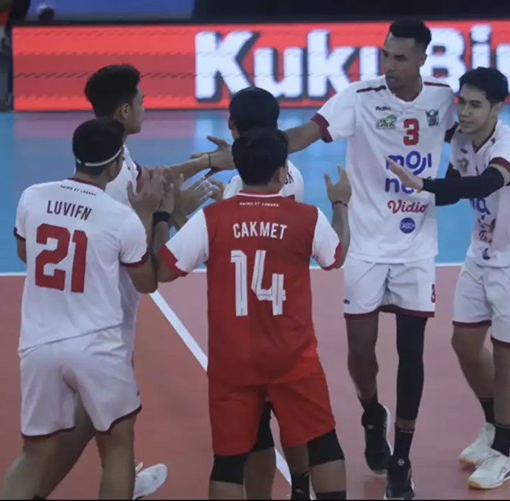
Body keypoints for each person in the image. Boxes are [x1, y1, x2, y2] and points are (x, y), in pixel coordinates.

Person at [205, 18, 457, 500]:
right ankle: (371, 413)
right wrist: (248, 152)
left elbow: (470, 136)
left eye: (400, 58)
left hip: (416, 246)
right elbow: (303, 134)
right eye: (385, 55)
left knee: (412, 351)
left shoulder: (444, 100)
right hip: (364, 244)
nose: (389, 66)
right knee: (361, 351)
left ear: (423, 59)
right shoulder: (360, 97)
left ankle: (401, 458)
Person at [34, 63, 221, 501]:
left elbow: (152, 179)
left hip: (70, 316)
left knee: (100, 420)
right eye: (140, 100)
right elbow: (149, 271)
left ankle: (115, 479)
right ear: (123, 110)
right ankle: (49, 490)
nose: (145, 106)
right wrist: (168, 216)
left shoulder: (109, 159)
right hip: (108, 320)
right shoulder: (119, 182)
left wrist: (205, 162)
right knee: (100, 425)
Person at [157, 128, 351, 500]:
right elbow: (336, 256)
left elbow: (163, 271)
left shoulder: (211, 218)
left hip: (232, 360)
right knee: (323, 442)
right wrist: (340, 203)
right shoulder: (307, 217)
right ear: (281, 172)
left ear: (239, 171)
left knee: (229, 461)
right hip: (292, 356)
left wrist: (164, 214)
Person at [385, 67, 510, 490]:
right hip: (481, 255)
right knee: (464, 344)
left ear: (497, 109)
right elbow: (454, 187)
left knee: (507, 358)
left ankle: (502, 455)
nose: (464, 111)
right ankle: (497, 425)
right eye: (461, 102)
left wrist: (423, 183)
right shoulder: (461, 140)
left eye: (476, 105)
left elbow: (485, 183)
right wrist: (410, 190)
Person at [0, 117, 175, 499]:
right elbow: (146, 283)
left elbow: (26, 253)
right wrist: (152, 215)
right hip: (98, 346)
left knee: (34, 453)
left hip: (39, 344)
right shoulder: (121, 218)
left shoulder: (33, 196)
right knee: (118, 445)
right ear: (115, 166)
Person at [219, 87, 308, 500]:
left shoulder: (237, 187)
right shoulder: (293, 175)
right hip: (288, 318)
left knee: (255, 431)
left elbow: (227, 249)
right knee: (293, 416)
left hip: (247, 324)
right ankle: (302, 488)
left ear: (233, 126)